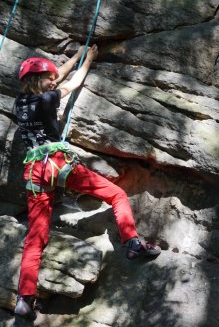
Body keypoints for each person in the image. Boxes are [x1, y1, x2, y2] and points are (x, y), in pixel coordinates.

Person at [13, 45, 161, 320]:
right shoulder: (49, 99)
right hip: (57, 163)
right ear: (38, 81)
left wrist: (77, 54)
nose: (54, 80)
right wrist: (89, 58)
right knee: (116, 194)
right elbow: (74, 81)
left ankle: (24, 298)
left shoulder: (19, 103)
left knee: (36, 237)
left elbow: (57, 74)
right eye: (49, 79)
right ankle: (132, 244)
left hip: (34, 172)